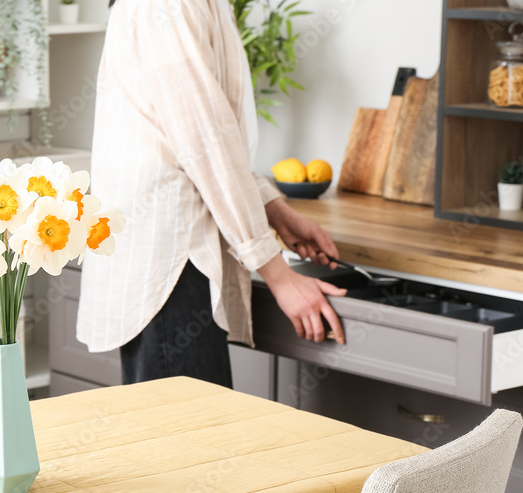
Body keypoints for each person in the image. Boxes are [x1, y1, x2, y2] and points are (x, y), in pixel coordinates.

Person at [76, 0, 346, 389]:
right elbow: (205, 145)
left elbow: (211, 140)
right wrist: (280, 276)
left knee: (182, 439)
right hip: (171, 262)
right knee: (187, 442)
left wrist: (275, 211)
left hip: (173, 255)